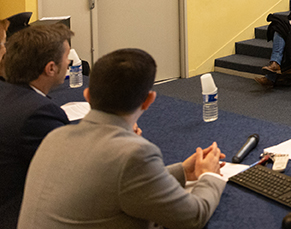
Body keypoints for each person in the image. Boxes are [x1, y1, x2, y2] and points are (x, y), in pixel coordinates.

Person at [18, 48, 226, 229]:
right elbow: (193, 217)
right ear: (148, 101)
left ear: (88, 95)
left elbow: (116, 182)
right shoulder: (134, 154)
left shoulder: (55, 136)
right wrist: (209, 176)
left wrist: (182, 171)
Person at [0, 23, 72, 229]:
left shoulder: (8, 94)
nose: (70, 62)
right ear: (51, 68)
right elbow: (70, 173)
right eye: (66, 57)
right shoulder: (38, 114)